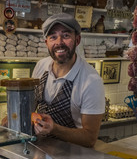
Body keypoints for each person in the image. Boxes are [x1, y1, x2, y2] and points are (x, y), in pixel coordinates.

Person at [31, 13, 105, 148]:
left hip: (74, 158)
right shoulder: (41, 66)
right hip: (39, 150)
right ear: (46, 42)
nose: (59, 42)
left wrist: (54, 128)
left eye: (66, 36)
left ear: (77, 40)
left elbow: (90, 138)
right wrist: (14, 117)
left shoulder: (91, 81)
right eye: (53, 37)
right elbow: (31, 106)